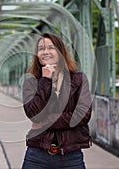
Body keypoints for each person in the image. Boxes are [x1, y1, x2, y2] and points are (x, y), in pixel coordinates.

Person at [21, 33, 93, 169]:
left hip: (70, 155)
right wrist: (45, 80)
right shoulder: (30, 82)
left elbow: (82, 114)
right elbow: (34, 113)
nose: (45, 52)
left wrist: (45, 122)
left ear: (60, 51)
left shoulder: (78, 79)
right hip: (37, 155)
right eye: (41, 49)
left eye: (51, 47)